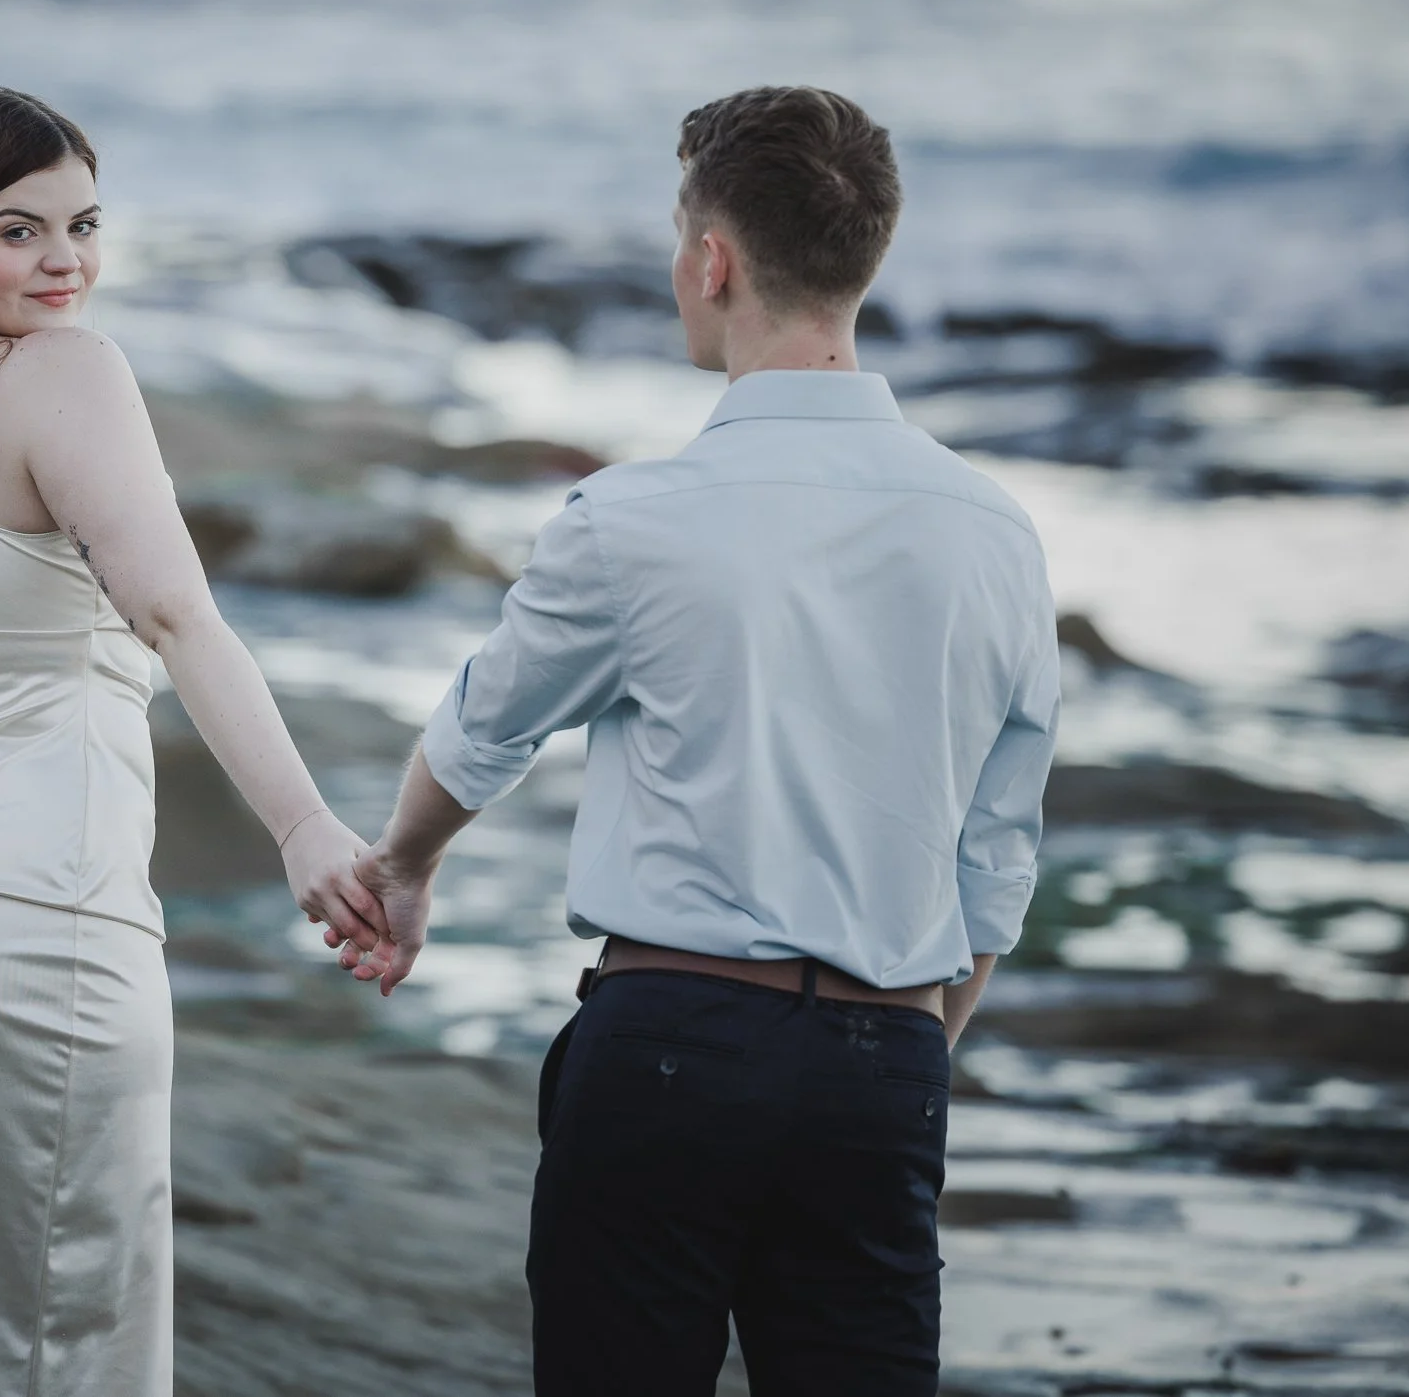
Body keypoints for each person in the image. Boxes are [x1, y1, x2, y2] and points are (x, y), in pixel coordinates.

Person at [340, 87, 1060, 1396]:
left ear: (713, 261)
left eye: (683, 242)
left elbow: (483, 729)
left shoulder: (634, 521)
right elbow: (995, 862)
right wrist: (901, 1049)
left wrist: (403, 869)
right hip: (887, 1056)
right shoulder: (994, 533)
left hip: (669, 1041)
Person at [0, 87, 382, 1397]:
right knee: (60, 1340)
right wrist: (302, 826)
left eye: (85, 224)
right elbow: (177, 613)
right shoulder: (70, 372)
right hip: (34, 920)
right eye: (20, 229)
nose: (66, 262)